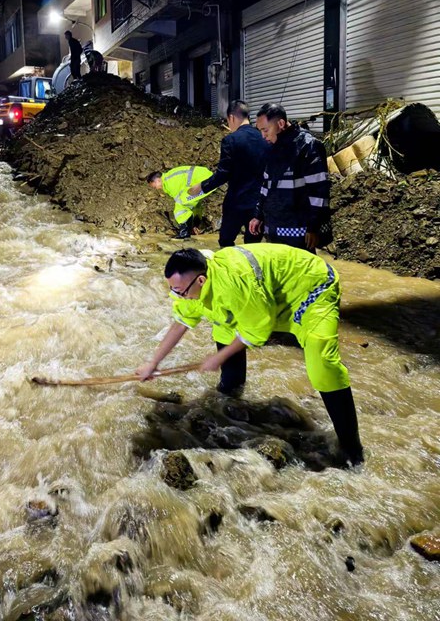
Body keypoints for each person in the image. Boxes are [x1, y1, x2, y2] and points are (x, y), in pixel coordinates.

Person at [136, 245, 363, 465]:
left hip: (310, 288)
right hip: (264, 295)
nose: (177, 296)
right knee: (224, 333)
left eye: (180, 292)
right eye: (172, 290)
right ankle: (231, 409)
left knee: (322, 364)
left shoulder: (236, 283)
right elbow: (181, 322)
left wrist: (219, 357)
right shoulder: (189, 287)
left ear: (201, 280)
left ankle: (351, 448)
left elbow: (257, 330)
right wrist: (153, 363)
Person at [249, 103, 331, 253]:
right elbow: (266, 185)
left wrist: (313, 227)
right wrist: (258, 215)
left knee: (301, 273)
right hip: (274, 229)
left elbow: (319, 191)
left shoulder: (307, 146)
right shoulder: (273, 148)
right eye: (260, 131)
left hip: (298, 233)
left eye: (265, 130)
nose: (263, 136)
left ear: (280, 123)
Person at [187, 100, 269, 247]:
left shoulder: (231, 140)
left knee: (226, 241)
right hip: (259, 204)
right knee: (253, 246)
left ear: (231, 118)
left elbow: (223, 174)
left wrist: (201, 187)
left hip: (236, 203)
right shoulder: (264, 138)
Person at [147, 166, 215, 239]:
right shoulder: (169, 179)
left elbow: (181, 201)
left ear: (158, 180)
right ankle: (195, 226)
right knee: (192, 203)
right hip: (208, 179)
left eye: (155, 186)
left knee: (180, 207)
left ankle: (184, 233)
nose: (156, 189)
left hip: (205, 181)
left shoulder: (169, 182)